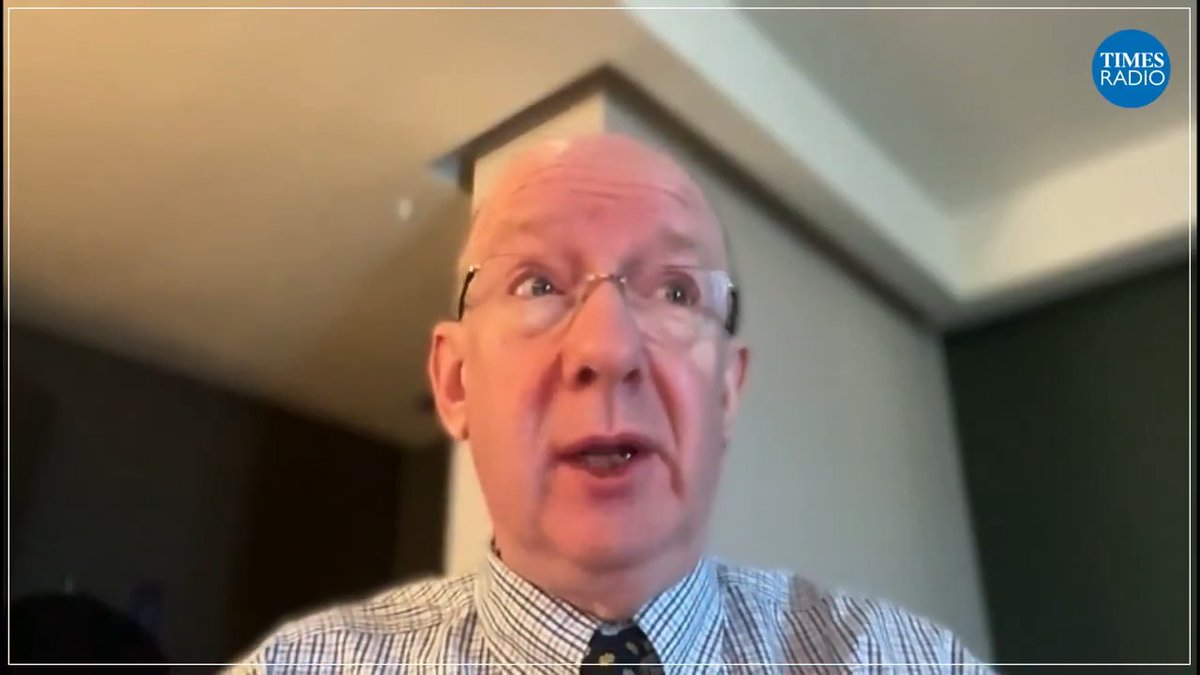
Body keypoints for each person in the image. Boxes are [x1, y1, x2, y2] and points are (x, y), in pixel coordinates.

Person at [230, 134, 989, 674]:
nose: (608, 348)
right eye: (536, 283)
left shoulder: (903, 661)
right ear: (456, 382)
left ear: (726, 391)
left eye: (675, 292)